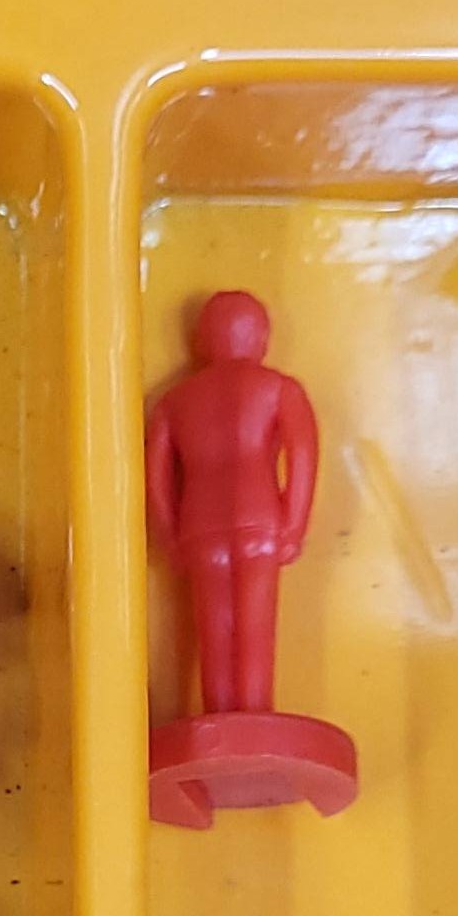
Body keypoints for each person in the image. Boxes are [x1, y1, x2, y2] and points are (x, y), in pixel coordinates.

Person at [145, 289, 319, 715]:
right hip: (260, 519)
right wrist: (294, 526)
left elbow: (155, 475)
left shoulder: (175, 401)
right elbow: (302, 455)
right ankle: (255, 714)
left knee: (214, 629)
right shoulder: (277, 388)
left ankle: (220, 717)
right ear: (261, 337)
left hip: (199, 524)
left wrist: (169, 535)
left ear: (203, 340)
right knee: (254, 626)